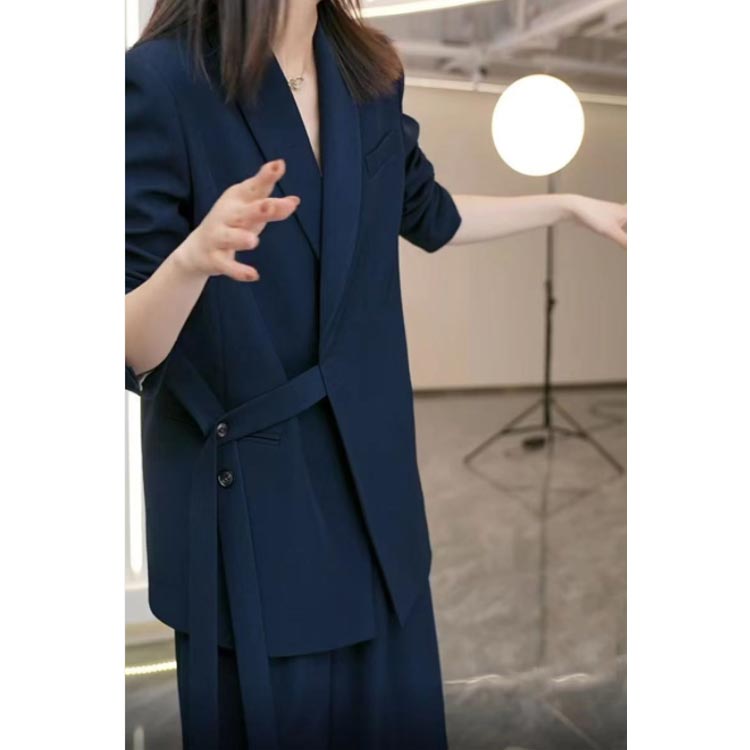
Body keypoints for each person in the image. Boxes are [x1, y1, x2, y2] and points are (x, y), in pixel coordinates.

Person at [124, 1, 626, 747]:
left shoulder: (368, 75)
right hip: (255, 509)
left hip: (375, 494)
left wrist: (567, 206)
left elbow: (431, 213)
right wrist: (192, 261)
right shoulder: (164, 79)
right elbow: (132, 345)